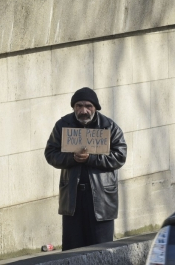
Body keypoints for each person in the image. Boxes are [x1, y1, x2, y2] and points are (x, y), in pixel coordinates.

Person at [44, 87, 127, 251]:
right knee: (73, 250)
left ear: (95, 107)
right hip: (73, 200)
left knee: (101, 250)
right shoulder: (63, 125)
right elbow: (50, 153)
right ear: (74, 107)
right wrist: (71, 158)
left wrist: (92, 158)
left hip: (101, 201)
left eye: (88, 106)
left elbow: (120, 156)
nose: (84, 110)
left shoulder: (109, 127)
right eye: (79, 106)